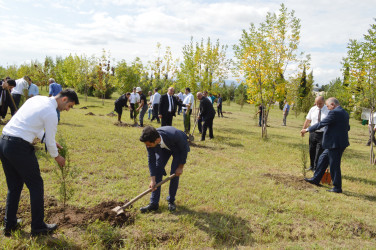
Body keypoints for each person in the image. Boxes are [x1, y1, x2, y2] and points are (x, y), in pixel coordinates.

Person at [0, 89, 79, 236]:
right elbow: (49, 140)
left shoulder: (36, 100)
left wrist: (48, 141)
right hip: (19, 147)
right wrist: (57, 157)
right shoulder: (51, 113)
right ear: (64, 99)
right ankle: (38, 227)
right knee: (36, 185)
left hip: (4, 142)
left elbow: (31, 125)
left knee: (14, 186)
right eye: (69, 106)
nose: (68, 109)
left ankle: (9, 225)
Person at [301, 97, 350, 193]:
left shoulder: (334, 112)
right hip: (337, 143)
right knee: (322, 158)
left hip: (335, 144)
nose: (327, 108)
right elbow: (347, 127)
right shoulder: (344, 112)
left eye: (328, 106)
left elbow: (321, 123)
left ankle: (337, 187)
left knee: (334, 165)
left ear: (332, 104)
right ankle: (316, 179)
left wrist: (307, 129)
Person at [139, 126, 190, 212]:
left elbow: (184, 150)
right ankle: (154, 204)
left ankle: (171, 200)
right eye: (146, 144)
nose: (147, 147)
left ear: (157, 140)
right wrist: (153, 180)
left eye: (149, 145)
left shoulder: (174, 135)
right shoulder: (149, 141)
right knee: (158, 169)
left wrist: (180, 167)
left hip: (178, 148)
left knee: (174, 173)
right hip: (163, 148)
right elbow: (151, 160)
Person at [302, 96, 329, 171]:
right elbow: (308, 120)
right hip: (313, 133)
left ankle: (316, 167)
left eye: (320, 103)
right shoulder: (312, 109)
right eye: (317, 103)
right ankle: (311, 166)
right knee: (312, 150)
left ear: (324, 102)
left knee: (319, 151)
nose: (318, 105)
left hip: (323, 134)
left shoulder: (328, 110)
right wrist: (304, 129)